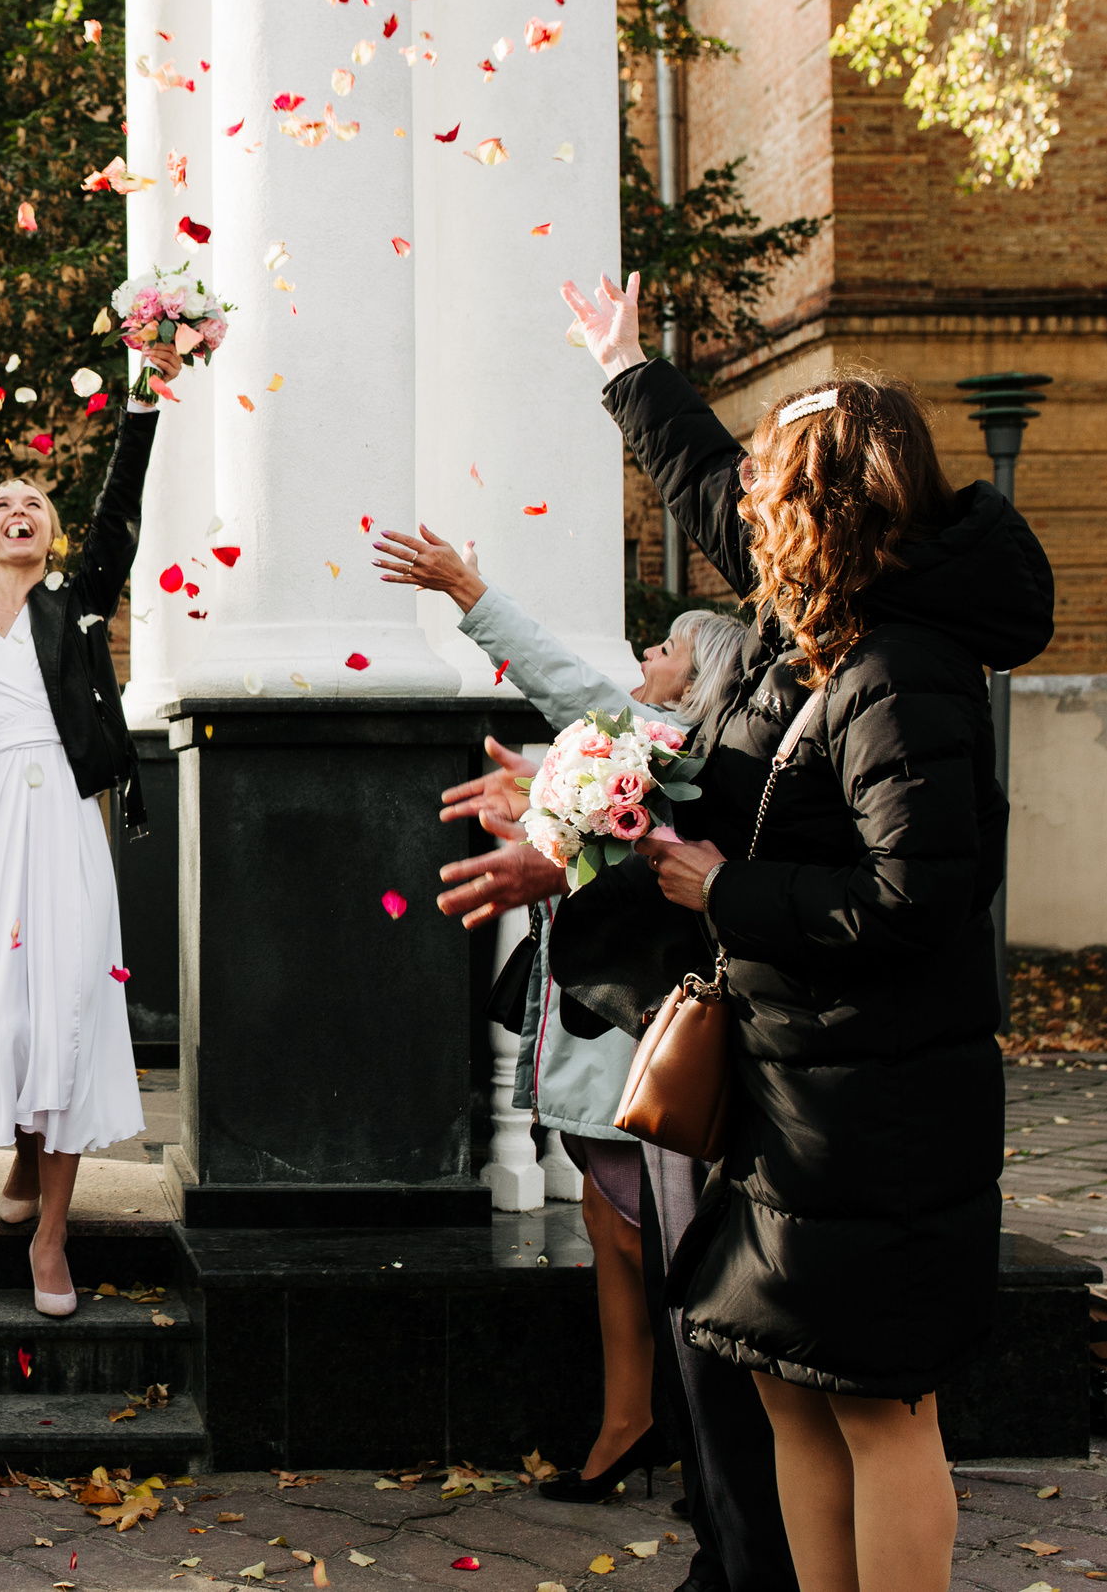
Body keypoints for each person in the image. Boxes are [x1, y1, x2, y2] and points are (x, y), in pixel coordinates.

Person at [561, 270, 1053, 1592]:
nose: (746, 505)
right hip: (794, 1090)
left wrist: (726, 891)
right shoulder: (820, 624)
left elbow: (917, 898)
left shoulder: (903, 672)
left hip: (877, 1108)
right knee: (789, 1386)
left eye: (771, 485)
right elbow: (706, 484)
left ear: (822, 511)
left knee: (878, 1408)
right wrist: (627, 370)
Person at [376, 525, 751, 1499]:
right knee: (607, 1221)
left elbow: (563, 681)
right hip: (596, 1033)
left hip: (638, 1041)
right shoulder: (645, 756)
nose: (646, 655)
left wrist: (469, 592)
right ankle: (632, 1422)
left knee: (645, 1235)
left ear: (697, 680)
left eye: (665, 648)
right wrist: (537, 803)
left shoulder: (669, 743)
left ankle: (687, 1445)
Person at [0, 350, 180, 1316]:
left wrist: (143, 395)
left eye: (34, 504)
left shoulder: (80, 606)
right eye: (2, 504)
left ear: (51, 535)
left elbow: (120, 507)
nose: (19, 510)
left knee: (60, 1014)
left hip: (62, 815)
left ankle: (51, 1235)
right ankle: (23, 1148)